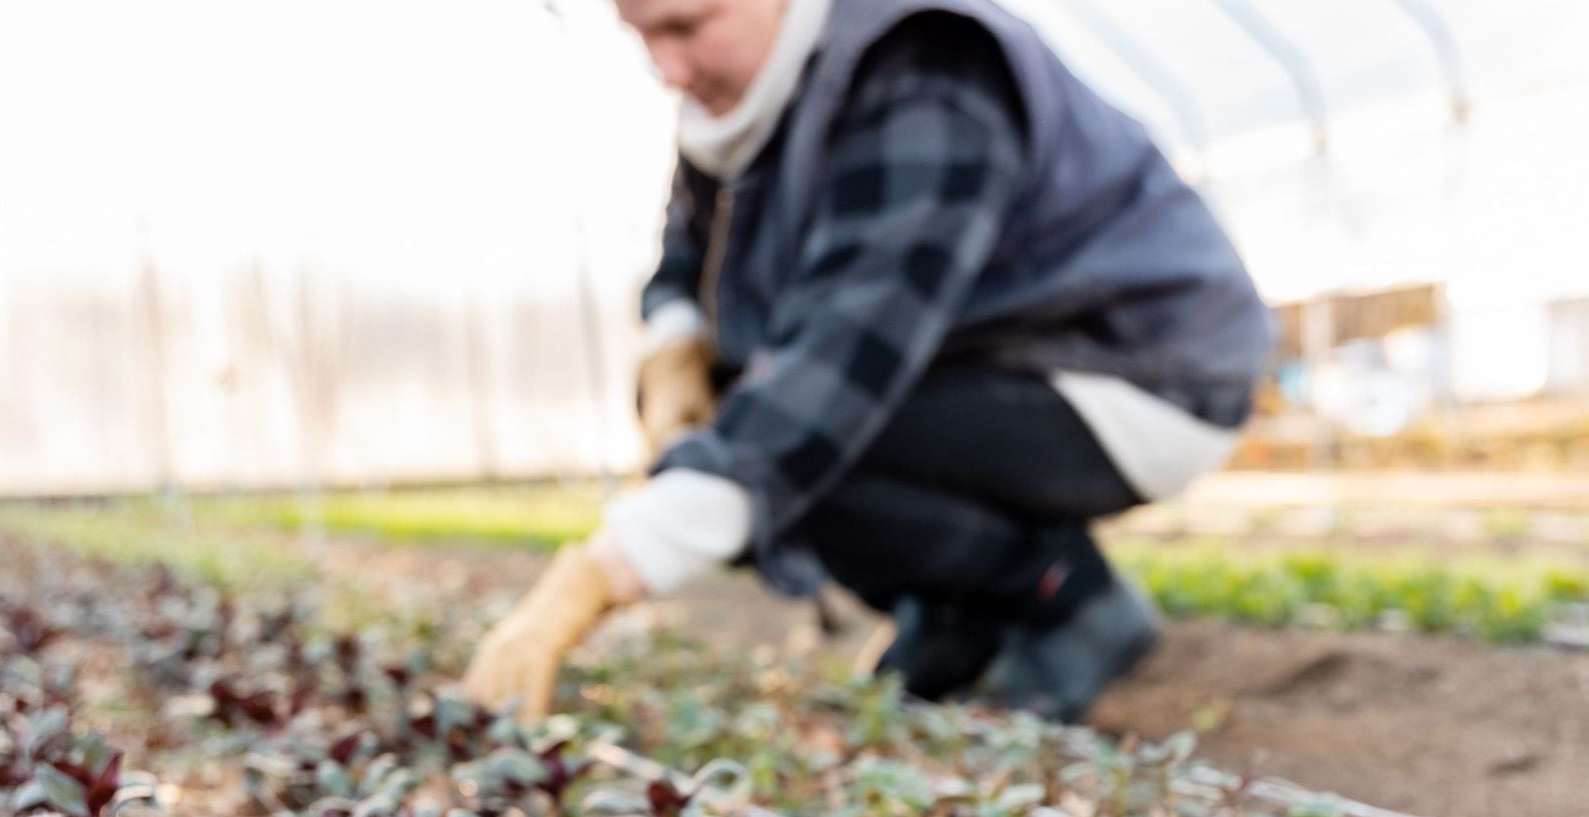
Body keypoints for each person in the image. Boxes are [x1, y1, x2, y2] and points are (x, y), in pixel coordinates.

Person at [463, 0, 1272, 723]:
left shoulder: (926, 66)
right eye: (643, 37)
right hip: (986, 365)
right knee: (738, 437)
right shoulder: (741, 109)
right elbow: (683, 258)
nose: (670, 72)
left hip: (1140, 374)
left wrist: (597, 577)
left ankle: (1064, 601)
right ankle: (959, 616)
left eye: (687, 26)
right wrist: (674, 351)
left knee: (789, 455)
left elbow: (834, 374)